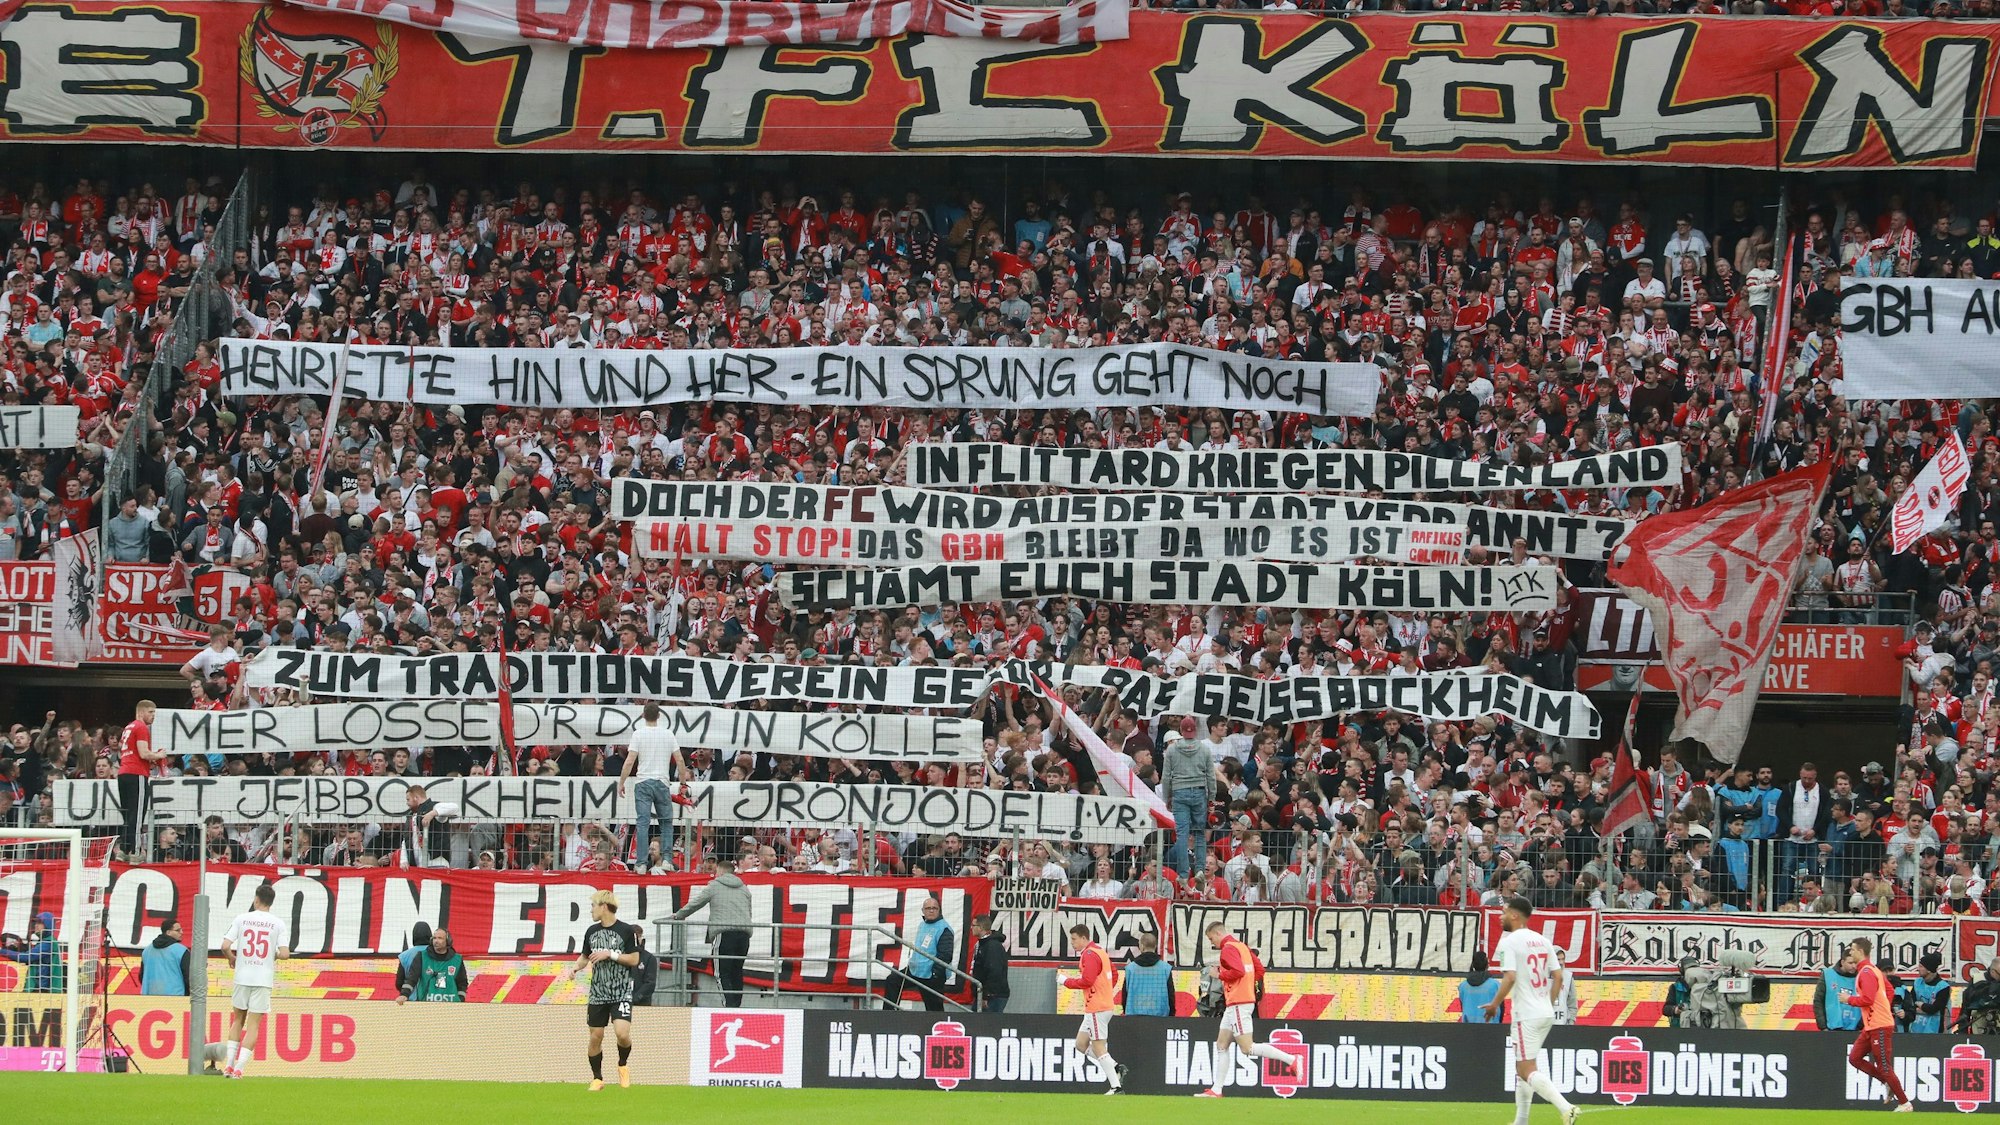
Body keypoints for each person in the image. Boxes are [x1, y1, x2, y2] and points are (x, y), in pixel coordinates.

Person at [1484, 895, 1578, 1125]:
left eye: (1504, 912)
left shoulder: (1509, 941)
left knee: (1526, 1069)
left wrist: (1495, 1004)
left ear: (1515, 915)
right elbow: (1558, 976)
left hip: (1526, 1014)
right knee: (1523, 1066)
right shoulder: (1542, 940)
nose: (1501, 916)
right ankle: (1521, 1120)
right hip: (1544, 1012)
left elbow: (1510, 977)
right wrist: (1548, 1002)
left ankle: (1566, 1108)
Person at [1195, 922, 1296, 1097]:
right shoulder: (1241, 946)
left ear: (1218, 933)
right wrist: (1248, 986)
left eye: (1211, 938)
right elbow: (1259, 970)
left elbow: (1238, 972)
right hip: (1237, 1002)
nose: (1212, 943)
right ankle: (1216, 1090)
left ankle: (1291, 1059)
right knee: (1221, 1045)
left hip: (1238, 1003)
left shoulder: (1227, 948)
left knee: (1247, 1048)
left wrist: (1219, 975)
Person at [566, 890, 642, 1091]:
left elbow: (634, 959)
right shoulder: (591, 931)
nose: (591, 910)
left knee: (622, 1034)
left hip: (621, 991)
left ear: (604, 906)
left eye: (593, 906)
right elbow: (585, 956)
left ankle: (622, 1065)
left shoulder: (626, 931)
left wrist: (611, 954)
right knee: (595, 1036)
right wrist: (575, 968)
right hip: (598, 993)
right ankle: (597, 1078)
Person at [221, 883, 291, 1079]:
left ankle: (228, 1065)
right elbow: (285, 954)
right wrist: (273, 954)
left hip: (242, 976)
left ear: (256, 899)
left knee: (237, 1020)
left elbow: (225, 945)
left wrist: (232, 958)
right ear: (271, 902)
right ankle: (240, 1069)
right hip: (263, 979)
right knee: (253, 1025)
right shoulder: (277, 923)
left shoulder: (242, 919)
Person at [666, 855, 752, 1007]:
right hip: (744, 935)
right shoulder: (744, 889)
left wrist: (678, 915)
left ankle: (729, 1007)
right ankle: (737, 1007)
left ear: (720, 872)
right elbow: (749, 912)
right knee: (736, 971)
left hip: (723, 933)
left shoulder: (715, 885)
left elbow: (696, 903)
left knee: (721, 972)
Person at [1841, 936, 1911, 1111]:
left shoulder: (1866, 972)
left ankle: (1904, 1102)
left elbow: (1868, 999)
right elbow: (1889, 990)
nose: (1850, 951)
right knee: (1855, 1058)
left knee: (1884, 1066)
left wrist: (1848, 999)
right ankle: (1886, 1082)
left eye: (1852, 949)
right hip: (1872, 1024)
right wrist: (1883, 1008)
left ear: (1860, 951)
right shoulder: (1873, 970)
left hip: (1878, 1025)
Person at [618, 702, 684, 868]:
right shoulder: (668, 734)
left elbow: (629, 761)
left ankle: (640, 864)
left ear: (643, 716)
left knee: (642, 823)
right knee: (666, 823)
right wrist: (683, 782)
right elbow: (680, 760)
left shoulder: (638, 734)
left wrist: (622, 782)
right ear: (659, 716)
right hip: (662, 782)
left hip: (643, 783)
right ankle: (667, 860)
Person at [1062, 923, 1126, 1094]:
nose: (1072, 943)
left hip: (1097, 1007)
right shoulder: (1100, 951)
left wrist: (1065, 982)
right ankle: (1115, 1067)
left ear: (1084, 938)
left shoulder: (1089, 954)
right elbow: (1115, 974)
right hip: (1100, 1006)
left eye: (1074, 939)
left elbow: (1087, 981)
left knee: (1098, 1046)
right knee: (1081, 1044)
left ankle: (1116, 1087)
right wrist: (1104, 991)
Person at [887, 896, 956, 1011]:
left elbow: (945, 955)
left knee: (934, 1008)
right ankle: (888, 1015)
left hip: (931, 974)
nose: (931, 910)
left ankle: (936, 1026)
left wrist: (935, 974)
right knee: (893, 980)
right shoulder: (922, 924)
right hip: (916, 970)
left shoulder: (944, 929)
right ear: (923, 911)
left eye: (934, 908)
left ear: (939, 910)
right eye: (928, 908)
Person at [116, 700, 162, 859]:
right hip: (136, 773)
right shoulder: (141, 727)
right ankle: (136, 851)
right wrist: (159, 755)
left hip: (123, 772)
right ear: (141, 712)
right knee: (137, 813)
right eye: (150, 712)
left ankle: (124, 850)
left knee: (128, 813)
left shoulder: (128, 728)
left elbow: (124, 752)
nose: (153, 716)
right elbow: (144, 753)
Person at [406, 928, 468, 1002]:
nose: (436, 941)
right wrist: (404, 994)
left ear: (448, 941)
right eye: (434, 938)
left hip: (451, 1006)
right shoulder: (421, 956)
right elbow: (411, 978)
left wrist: (461, 999)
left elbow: (462, 982)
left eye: (440, 938)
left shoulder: (457, 959)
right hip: (426, 1005)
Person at [1122, 932, 1174, 1017]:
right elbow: (1171, 995)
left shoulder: (1130, 969)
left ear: (1141, 946)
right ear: (1155, 946)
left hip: (1134, 1017)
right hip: (1160, 1017)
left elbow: (1125, 995)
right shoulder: (1166, 968)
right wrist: (1171, 1015)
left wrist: (1125, 1011)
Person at [1898, 951, 1950, 1034]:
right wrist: (1923, 1007)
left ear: (1929, 970)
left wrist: (1920, 1004)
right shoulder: (1917, 982)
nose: (1918, 969)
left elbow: (1934, 1009)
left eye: (1921, 966)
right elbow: (1911, 1005)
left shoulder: (1943, 987)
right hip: (1915, 1029)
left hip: (1934, 1030)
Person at [969, 913, 1011, 1013]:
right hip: (984, 994)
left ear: (981, 927)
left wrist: (987, 996)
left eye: (973, 925)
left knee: (988, 1026)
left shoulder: (992, 946)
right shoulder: (982, 944)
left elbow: (994, 972)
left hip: (993, 996)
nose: (971, 928)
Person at [142, 919, 190, 996]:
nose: (182, 932)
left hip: (149, 997)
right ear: (168, 932)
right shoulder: (181, 950)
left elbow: (142, 976)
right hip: (176, 998)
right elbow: (189, 976)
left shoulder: (146, 950)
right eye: (178, 930)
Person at [395, 922, 434, 1001]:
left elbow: (399, 983)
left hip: (412, 1000)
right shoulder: (436, 952)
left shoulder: (404, 956)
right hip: (433, 999)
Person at [1459, 950, 1500, 1023]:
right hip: (1491, 1028)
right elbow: (1501, 1009)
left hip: (1467, 1028)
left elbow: (1463, 1007)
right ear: (1487, 965)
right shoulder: (1495, 985)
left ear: (1473, 965)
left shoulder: (1463, 986)